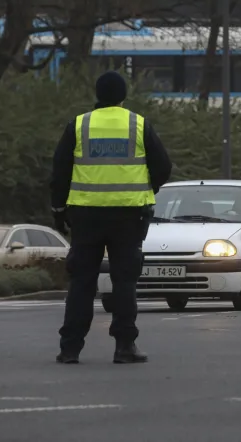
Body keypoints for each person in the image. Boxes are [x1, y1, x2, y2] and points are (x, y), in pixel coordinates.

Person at [50, 71, 172, 364]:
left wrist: (58, 210)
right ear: (123, 96)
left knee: (81, 282)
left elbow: (60, 171)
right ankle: (124, 345)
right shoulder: (138, 124)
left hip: (85, 214)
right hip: (129, 215)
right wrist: (145, 189)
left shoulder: (78, 125)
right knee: (125, 281)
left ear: (97, 94)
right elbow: (163, 166)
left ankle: (70, 348)